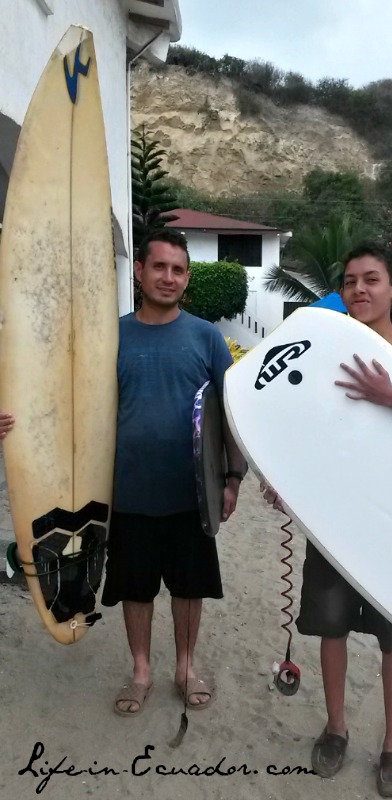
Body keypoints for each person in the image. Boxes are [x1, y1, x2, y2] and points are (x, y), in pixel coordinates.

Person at [1, 228, 244, 717]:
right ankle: (140, 671)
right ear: (139, 271)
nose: (168, 277)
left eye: (178, 269)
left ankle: (185, 666)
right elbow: (71, 406)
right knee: (135, 587)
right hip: (127, 493)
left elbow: (234, 413)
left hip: (192, 493)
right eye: (159, 267)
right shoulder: (110, 338)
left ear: (186, 277)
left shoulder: (206, 337)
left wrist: (232, 478)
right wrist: (17, 422)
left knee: (188, 586)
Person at [263, 241, 392, 797]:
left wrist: (389, 395)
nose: (360, 289)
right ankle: (336, 729)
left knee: (391, 639)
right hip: (333, 519)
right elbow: (307, 429)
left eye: (372, 279)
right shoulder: (324, 352)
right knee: (330, 630)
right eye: (351, 281)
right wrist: (280, 476)